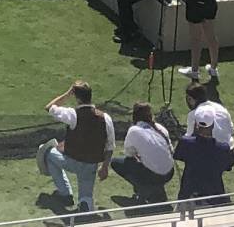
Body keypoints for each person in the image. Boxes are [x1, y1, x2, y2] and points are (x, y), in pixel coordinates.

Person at [40, 80, 112, 213]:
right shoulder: (106, 117)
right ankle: (85, 204)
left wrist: (67, 94)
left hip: (73, 161)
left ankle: (65, 193)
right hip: (91, 164)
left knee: (46, 151)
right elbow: (110, 146)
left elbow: (49, 107)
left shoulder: (72, 114)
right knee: (86, 200)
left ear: (77, 97)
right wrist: (105, 167)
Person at [112, 101, 174, 203]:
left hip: (153, 174)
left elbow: (129, 154)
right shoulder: (161, 128)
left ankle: (143, 188)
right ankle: (157, 190)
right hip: (169, 172)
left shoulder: (134, 130)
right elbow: (170, 150)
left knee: (117, 162)